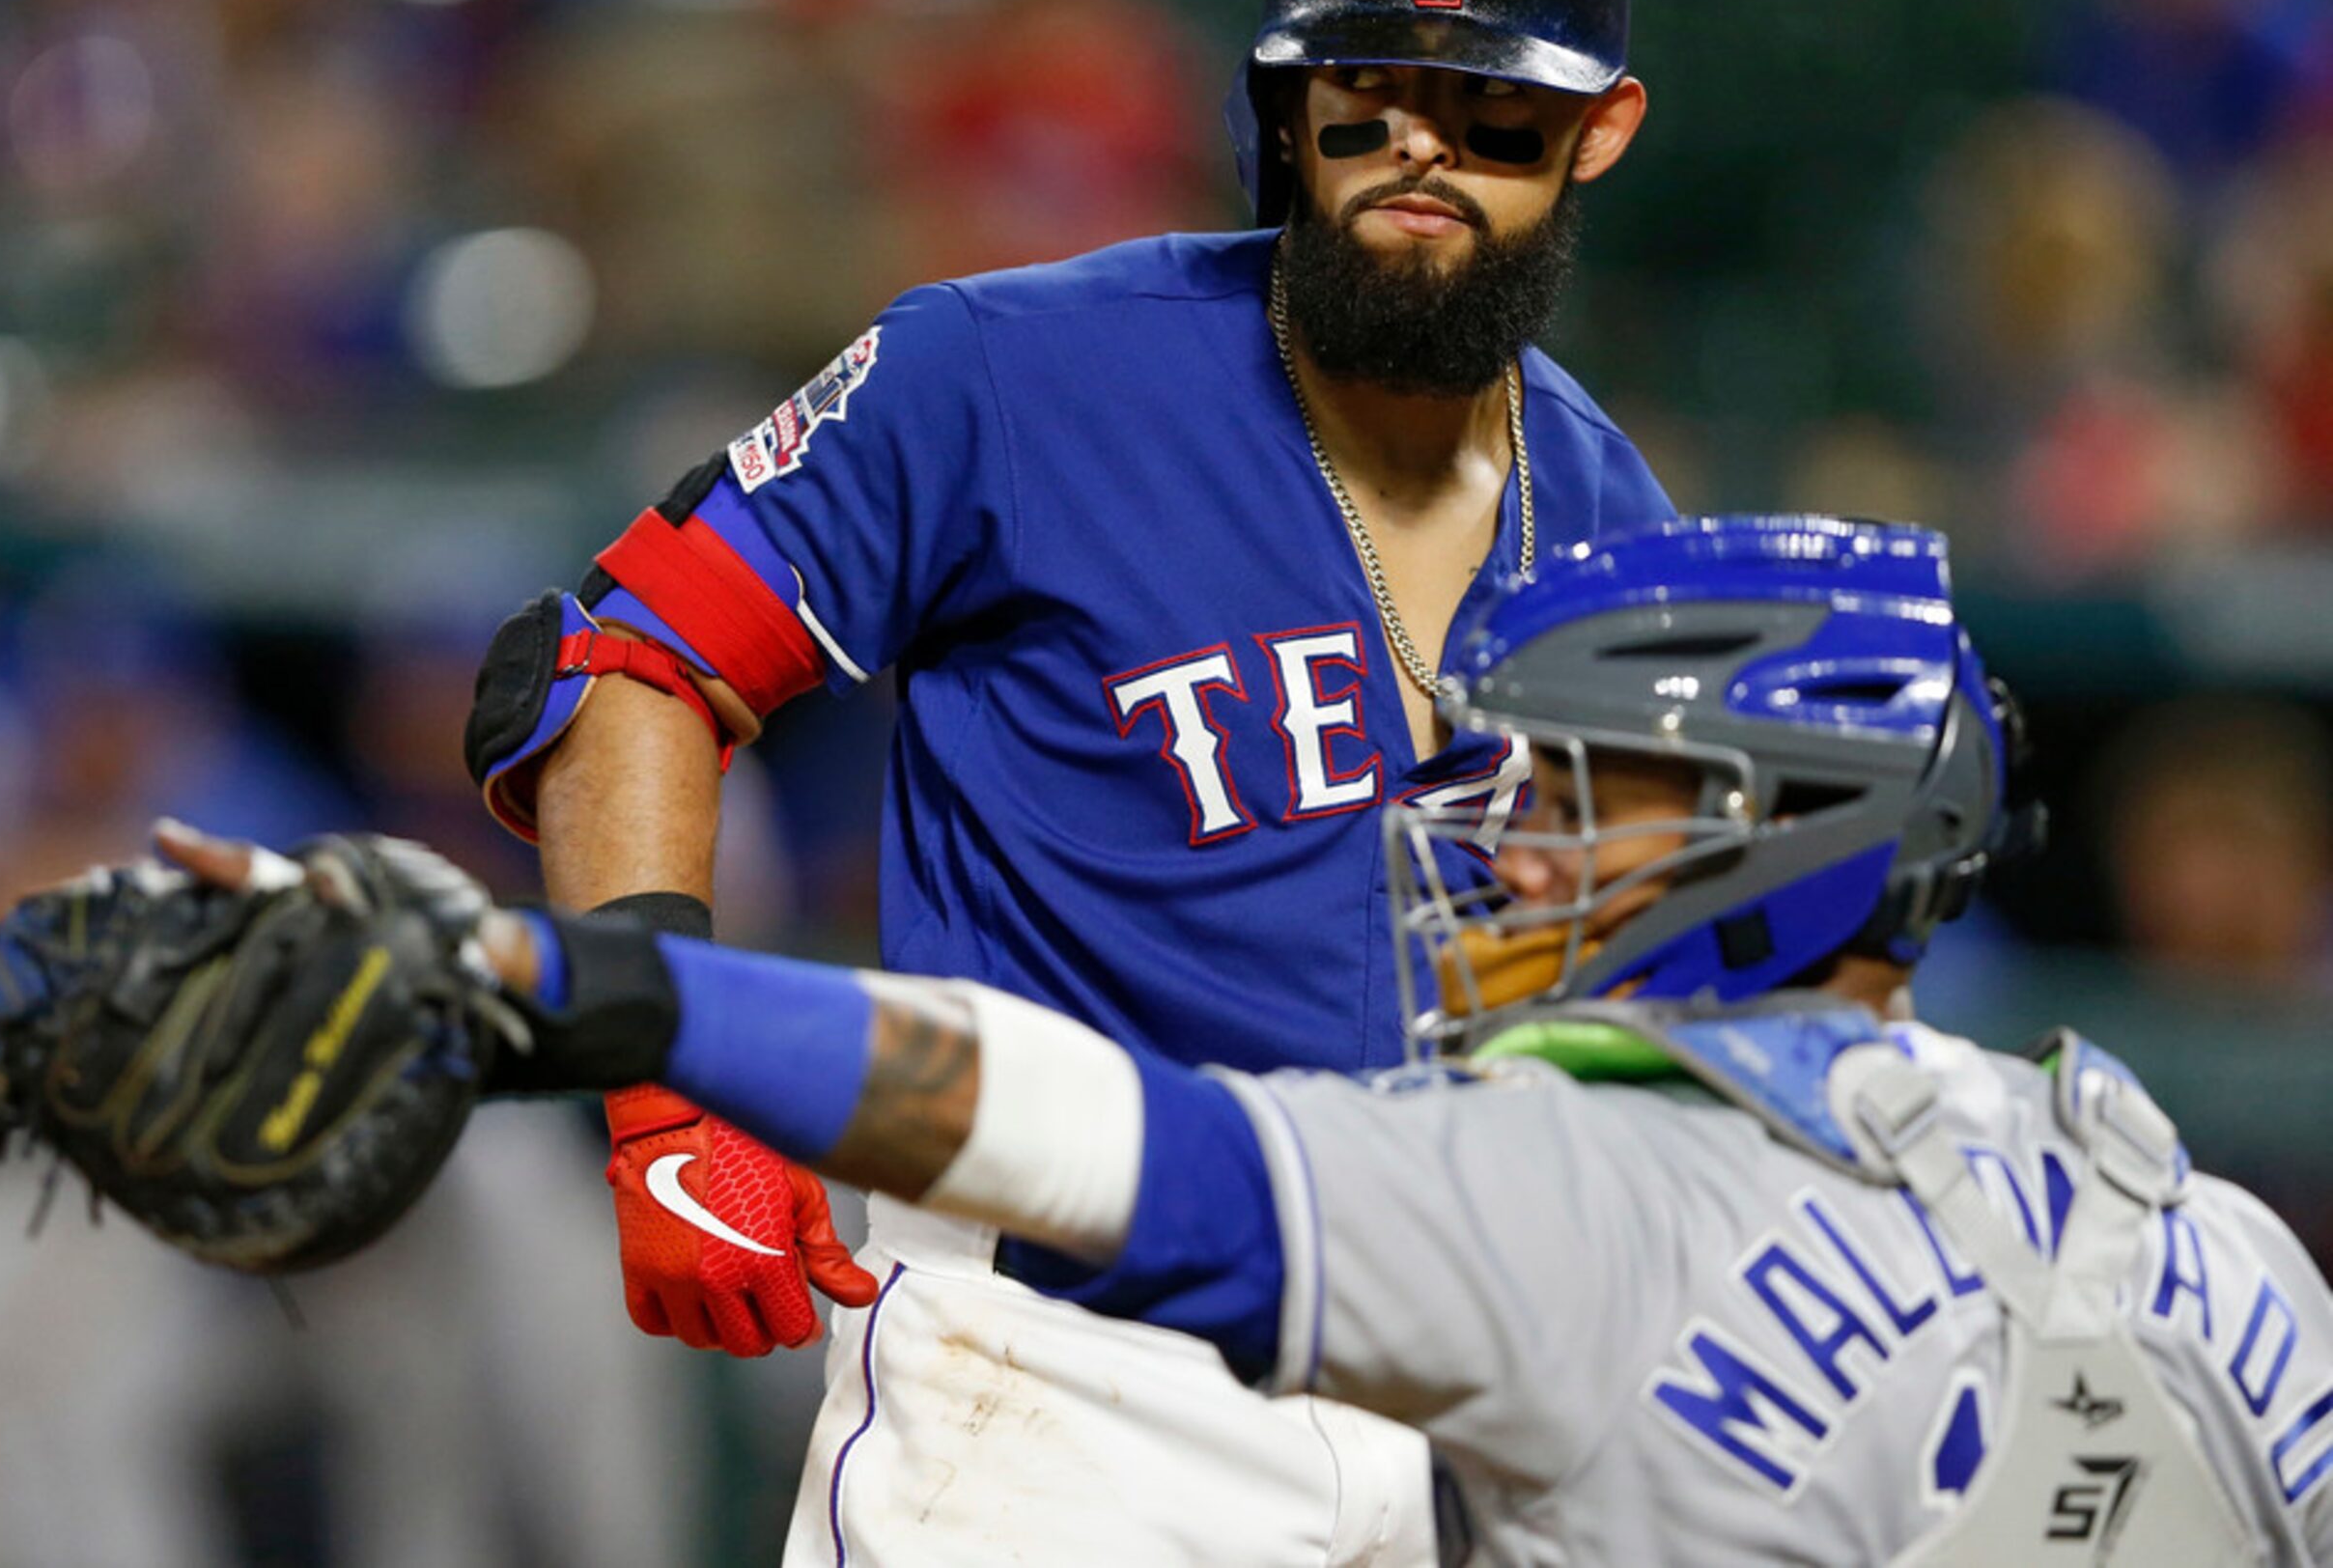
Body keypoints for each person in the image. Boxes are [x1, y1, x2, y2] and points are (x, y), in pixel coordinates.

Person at [175, 514, 2331, 1560]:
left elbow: (1051, 1125)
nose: (1501, 848)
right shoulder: (2203, 1232)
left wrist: (589, 989)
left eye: (1583, 796)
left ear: (1795, 843)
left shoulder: (1568, 1190)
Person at [462, 0, 1671, 1564]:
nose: (1418, 145)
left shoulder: (1613, 503)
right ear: (1282, 105)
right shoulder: (1017, 373)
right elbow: (624, 661)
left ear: (1595, 132)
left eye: (1490, 105)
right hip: (1063, 1389)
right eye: (1365, 88)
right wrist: (668, 1086)